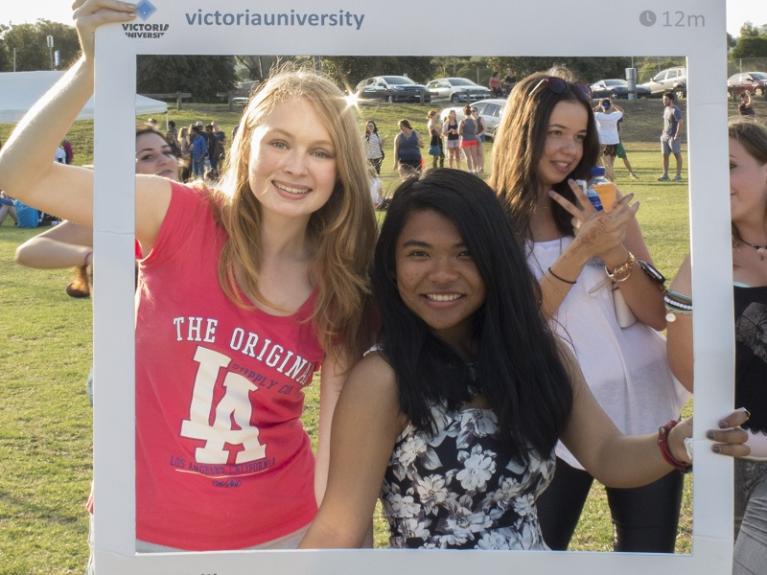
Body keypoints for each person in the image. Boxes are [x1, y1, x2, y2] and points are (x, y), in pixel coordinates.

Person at [0, 0, 376, 555]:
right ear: (247, 143)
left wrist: (316, 553)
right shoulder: (177, 213)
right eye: (280, 142)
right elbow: (19, 174)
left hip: (281, 533)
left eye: (320, 151)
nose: (297, 167)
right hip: (142, 533)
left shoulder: (341, 275)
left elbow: (335, 441)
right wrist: (90, 67)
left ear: (341, 167)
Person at [298, 168, 749, 550]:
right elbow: (340, 527)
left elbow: (606, 454)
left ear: (496, 262)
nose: (441, 274)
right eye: (418, 254)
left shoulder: (537, 352)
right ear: (392, 266)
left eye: (466, 254)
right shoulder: (383, 379)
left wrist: (678, 442)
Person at [488, 72, 690, 553]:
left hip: (644, 403)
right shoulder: (489, 215)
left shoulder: (603, 197)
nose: (568, 149)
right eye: (555, 133)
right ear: (523, 130)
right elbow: (520, 328)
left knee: (648, 554)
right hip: (555, 414)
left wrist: (615, 250)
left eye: (579, 136)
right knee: (539, 550)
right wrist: (580, 250)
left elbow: (656, 316)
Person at [666, 119, 767, 575]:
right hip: (729, 457)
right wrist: (694, 269)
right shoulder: (711, 255)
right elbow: (689, 373)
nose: (715, 181)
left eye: (730, 165)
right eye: (706, 169)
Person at [593, 98, 624, 181]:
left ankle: (611, 179)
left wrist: (598, 106)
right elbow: (622, 110)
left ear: (602, 106)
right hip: (614, 141)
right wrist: (613, 105)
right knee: (611, 162)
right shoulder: (615, 115)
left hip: (603, 142)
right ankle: (608, 177)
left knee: (606, 162)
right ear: (610, 106)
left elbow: (590, 111)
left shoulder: (598, 115)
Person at [659, 91, 684, 182]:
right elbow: (665, 122)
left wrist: (676, 135)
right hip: (665, 137)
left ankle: (678, 175)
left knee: (677, 155)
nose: (664, 101)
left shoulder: (675, 110)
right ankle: (665, 175)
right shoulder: (666, 109)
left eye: (666, 99)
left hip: (673, 137)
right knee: (664, 156)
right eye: (663, 99)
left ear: (671, 100)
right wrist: (663, 133)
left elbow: (680, 122)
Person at [459, 104, 481, 174]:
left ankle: (470, 170)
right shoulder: (474, 121)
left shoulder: (462, 121)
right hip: (473, 140)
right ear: (470, 112)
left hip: (465, 140)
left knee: (468, 157)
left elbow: (459, 132)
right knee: (474, 156)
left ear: (464, 112)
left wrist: (464, 133)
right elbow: (476, 131)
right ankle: (476, 170)